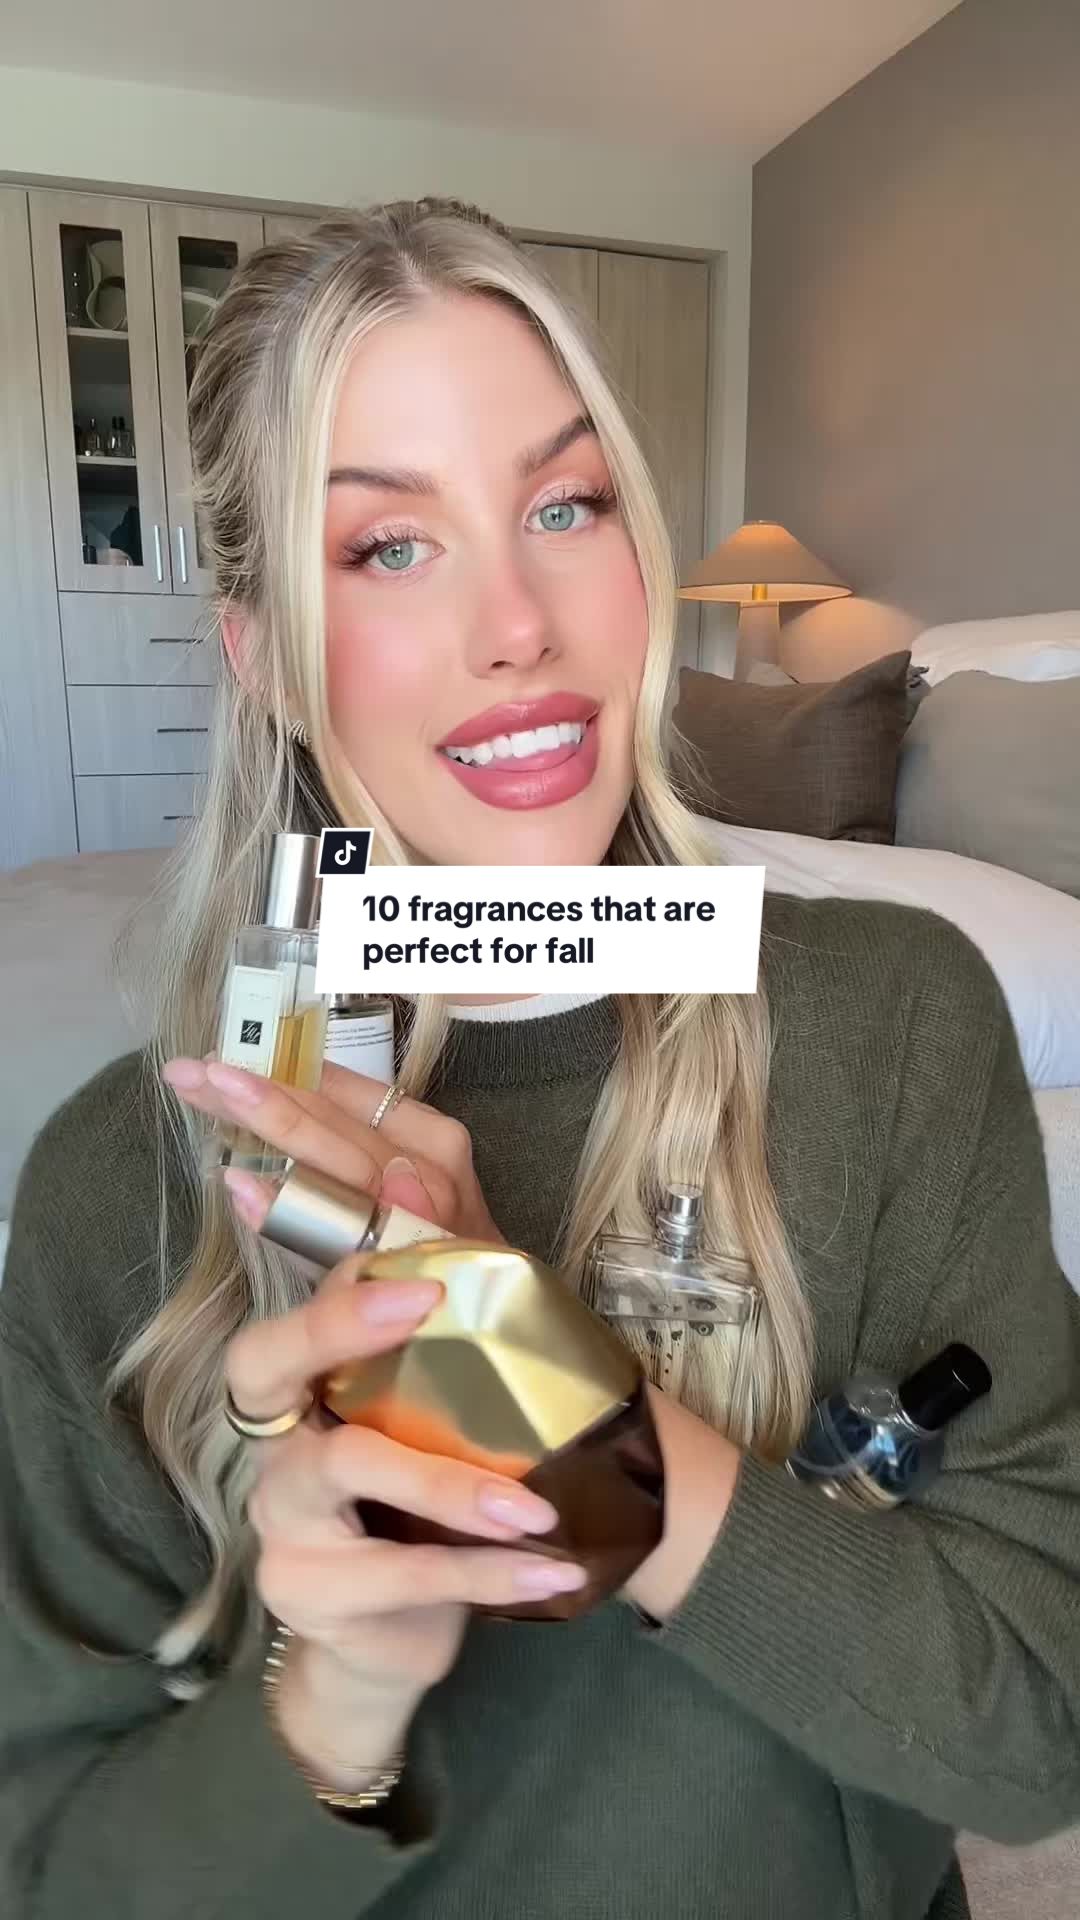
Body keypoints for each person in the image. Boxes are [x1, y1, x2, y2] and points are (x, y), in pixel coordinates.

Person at [2, 198, 1078, 1920]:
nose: (519, 623)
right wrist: (332, 1714)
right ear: (266, 658)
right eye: (389, 546)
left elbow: (1037, 1740)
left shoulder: (896, 1021)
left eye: (565, 507)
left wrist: (554, 1417)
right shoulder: (105, 1189)